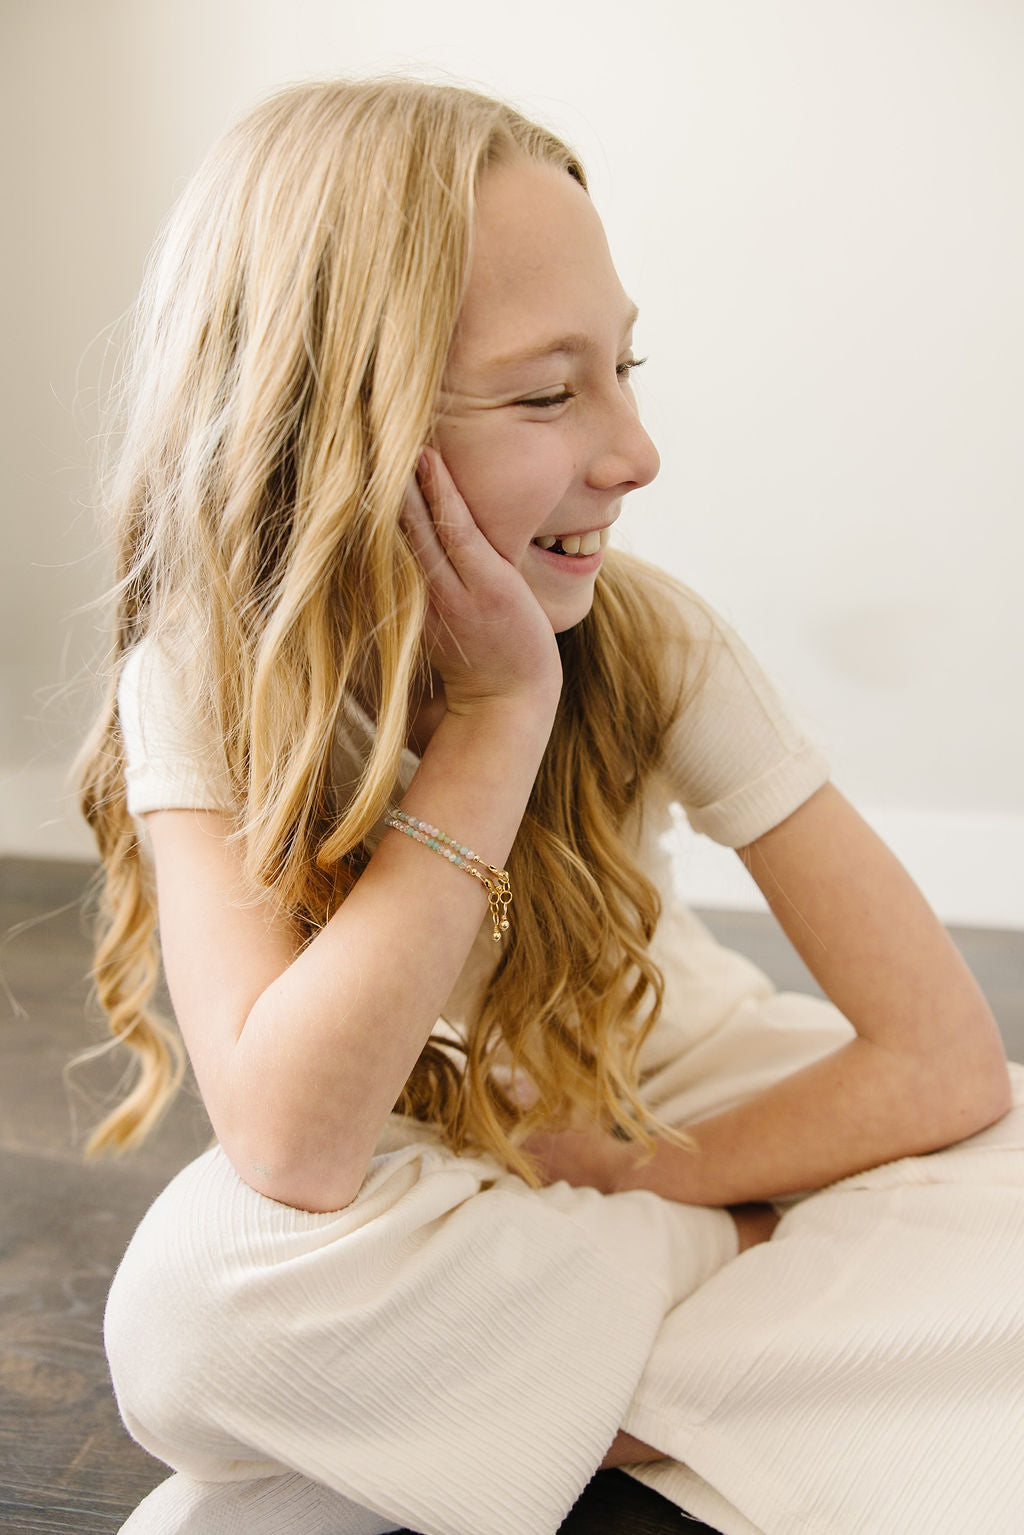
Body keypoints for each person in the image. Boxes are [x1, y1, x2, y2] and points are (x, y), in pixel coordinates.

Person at [77, 78, 1024, 1535]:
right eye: (548, 391)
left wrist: (636, 1181)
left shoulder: (658, 638)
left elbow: (946, 1067)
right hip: (415, 1186)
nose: (636, 451)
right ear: (336, 420)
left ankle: (498, 1406)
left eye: (627, 368)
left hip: (674, 1110)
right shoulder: (203, 677)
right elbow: (291, 1146)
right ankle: (710, 1330)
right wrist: (498, 719)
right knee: (198, 1319)